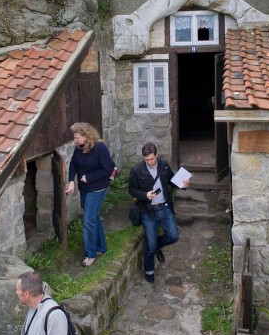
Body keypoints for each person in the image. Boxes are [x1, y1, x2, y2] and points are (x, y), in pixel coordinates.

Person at [127, 142, 186, 284]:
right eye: (146, 159)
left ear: (156, 156)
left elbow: (172, 181)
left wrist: (183, 185)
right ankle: (149, 270)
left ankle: (158, 246)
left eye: (151, 159)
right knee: (150, 245)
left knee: (173, 236)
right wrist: (144, 195)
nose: (149, 162)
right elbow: (131, 190)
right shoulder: (137, 170)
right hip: (148, 211)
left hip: (164, 207)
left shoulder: (164, 165)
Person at [65, 122, 114, 267]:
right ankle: (101, 247)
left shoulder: (100, 148)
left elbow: (107, 169)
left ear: (87, 136)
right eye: (74, 138)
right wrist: (71, 181)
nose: (75, 140)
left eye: (77, 138)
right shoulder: (79, 148)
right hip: (84, 188)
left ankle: (90, 254)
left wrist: (89, 177)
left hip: (97, 188)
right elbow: (73, 164)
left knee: (88, 220)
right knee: (93, 217)